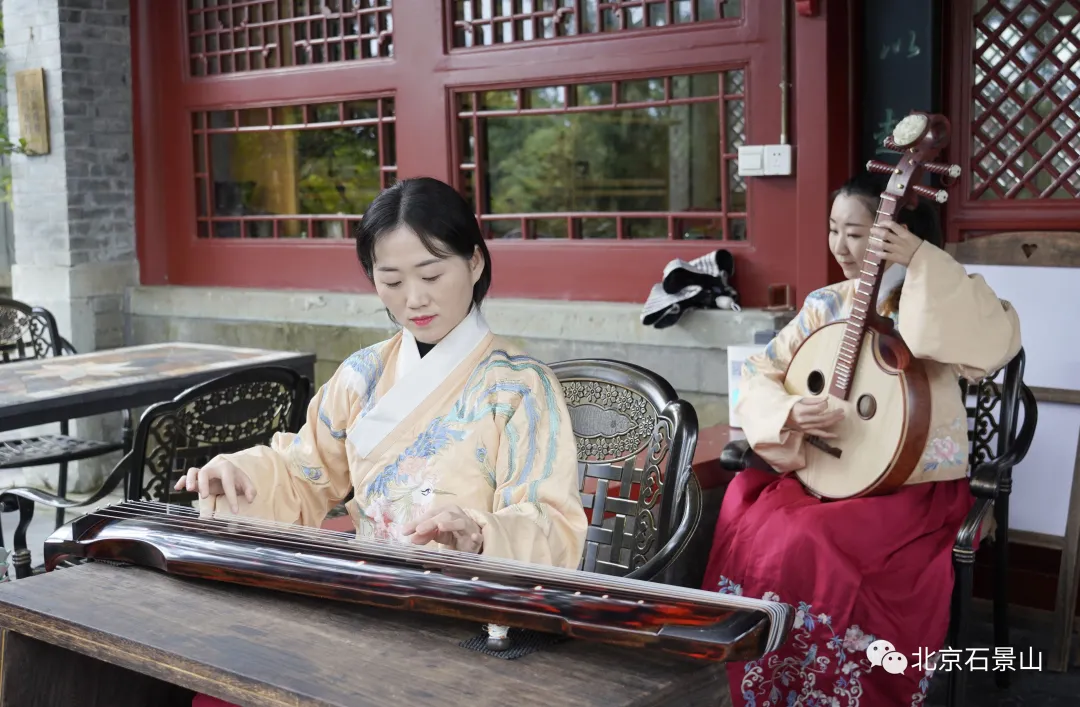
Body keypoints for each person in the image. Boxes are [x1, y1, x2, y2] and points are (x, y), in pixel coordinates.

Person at [182, 177, 588, 707]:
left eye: (431, 274)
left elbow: (553, 522)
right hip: (367, 606)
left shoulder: (520, 387)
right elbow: (303, 472)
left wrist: (479, 535)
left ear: (474, 262)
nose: (413, 299)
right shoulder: (362, 375)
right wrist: (241, 474)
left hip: (470, 628)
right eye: (391, 280)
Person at [702, 171, 1021, 706]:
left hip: (912, 489)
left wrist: (921, 261)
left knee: (812, 540)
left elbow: (986, 345)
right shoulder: (827, 304)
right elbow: (760, 373)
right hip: (826, 473)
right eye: (834, 230)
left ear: (897, 233)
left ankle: (835, 689)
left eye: (856, 233)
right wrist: (790, 410)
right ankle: (768, 679)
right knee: (752, 515)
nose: (840, 247)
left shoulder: (946, 297)